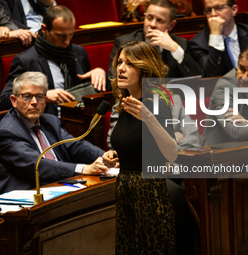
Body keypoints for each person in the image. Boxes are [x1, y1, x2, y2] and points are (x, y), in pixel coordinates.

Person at [103, 41, 178, 254]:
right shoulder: (125, 103)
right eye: (119, 62)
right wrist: (114, 154)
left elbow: (171, 152)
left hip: (149, 194)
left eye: (129, 63)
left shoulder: (156, 103)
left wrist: (149, 118)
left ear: (144, 69)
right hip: (125, 190)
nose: (121, 68)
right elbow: (134, 142)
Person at [0, 71, 109, 196]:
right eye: (27, 97)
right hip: (24, 199)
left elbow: (75, 145)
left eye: (39, 97)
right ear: (14, 101)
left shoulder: (50, 121)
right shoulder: (6, 132)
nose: (34, 102)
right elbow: (37, 165)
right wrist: (84, 169)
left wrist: (105, 156)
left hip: (59, 188)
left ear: (45, 101)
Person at [0, 5, 107, 116]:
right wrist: (40, 95)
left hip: (79, 120)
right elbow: (4, 101)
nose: (67, 42)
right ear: (44, 29)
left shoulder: (79, 53)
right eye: (61, 36)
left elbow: (87, 90)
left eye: (71, 35)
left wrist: (100, 74)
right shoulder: (26, 60)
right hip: (45, 125)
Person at [108, 0, 203, 82]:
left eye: (159, 20)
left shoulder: (180, 44)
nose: (152, 24)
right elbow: (113, 81)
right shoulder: (124, 43)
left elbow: (198, 79)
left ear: (171, 25)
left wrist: (175, 49)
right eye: (149, 18)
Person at [188, 0, 248, 77]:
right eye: (209, 10)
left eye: (219, 8)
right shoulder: (197, 43)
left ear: (234, 10)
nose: (213, 14)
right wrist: (215, 36)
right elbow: (211, 76)